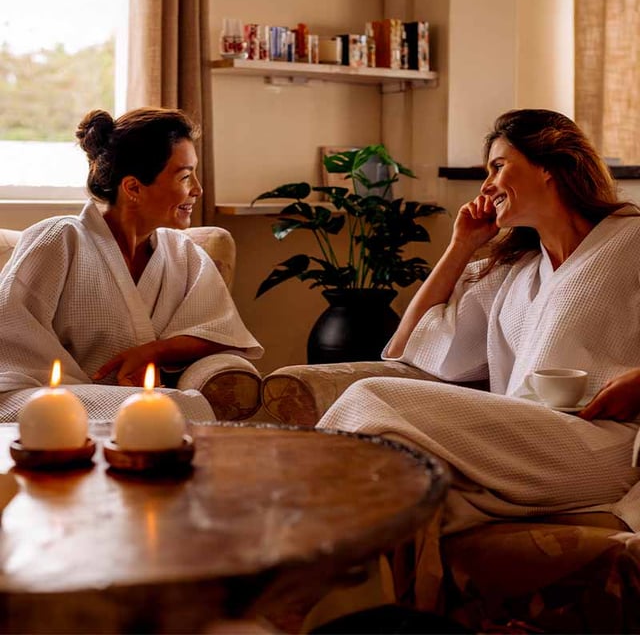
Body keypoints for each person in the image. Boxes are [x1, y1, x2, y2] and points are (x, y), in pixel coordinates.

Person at [317, 109, 640, 601]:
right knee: (397, 475)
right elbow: (407, 350)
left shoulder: (630, 238)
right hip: (529, 441)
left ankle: (281, 507)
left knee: (370, 396)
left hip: (605, 447)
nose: (487, 184)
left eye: (498, 166)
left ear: (550, 165)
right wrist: (462, 246)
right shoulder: (515, 271)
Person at [0, 107, 263, 423]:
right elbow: (9, 338)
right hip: (36, 395)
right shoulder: (59, 238)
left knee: (173, 408)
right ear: (133, 188)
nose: (197, 189)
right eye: (184, 176)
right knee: (173, 410)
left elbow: (220, 331)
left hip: (126, 401)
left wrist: (152, 351)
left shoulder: (184, 254)